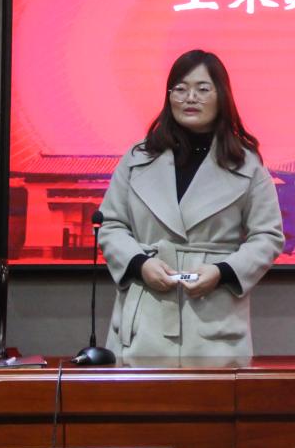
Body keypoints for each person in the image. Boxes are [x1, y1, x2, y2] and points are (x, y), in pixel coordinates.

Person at [98, 50, 284, 359]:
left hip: (212, 315)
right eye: (180, 89)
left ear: (221, 96)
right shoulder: (137, 159)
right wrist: (140, 264)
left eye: (202, 89)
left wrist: (222, 271)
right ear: (169, 97)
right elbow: (111, 224)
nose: (190, 98)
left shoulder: (246, 164)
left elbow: (267, 236)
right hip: (146, 311)